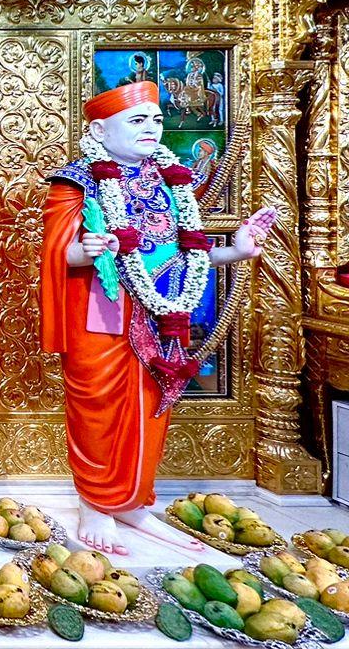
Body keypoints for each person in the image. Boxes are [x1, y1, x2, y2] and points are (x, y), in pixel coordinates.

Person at [41, 81, 270, 556]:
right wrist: (86, 251)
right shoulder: (77, 181)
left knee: (151, 408)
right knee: (98, 408)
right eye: (137, 121)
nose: (151, 129)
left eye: (156, 120)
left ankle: (133, 501)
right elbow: (58, 253)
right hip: (102, 313)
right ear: (100, 130)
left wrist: (237, 250)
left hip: (163, 313)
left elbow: (187, 250)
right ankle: (95, 503)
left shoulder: (171, 180)